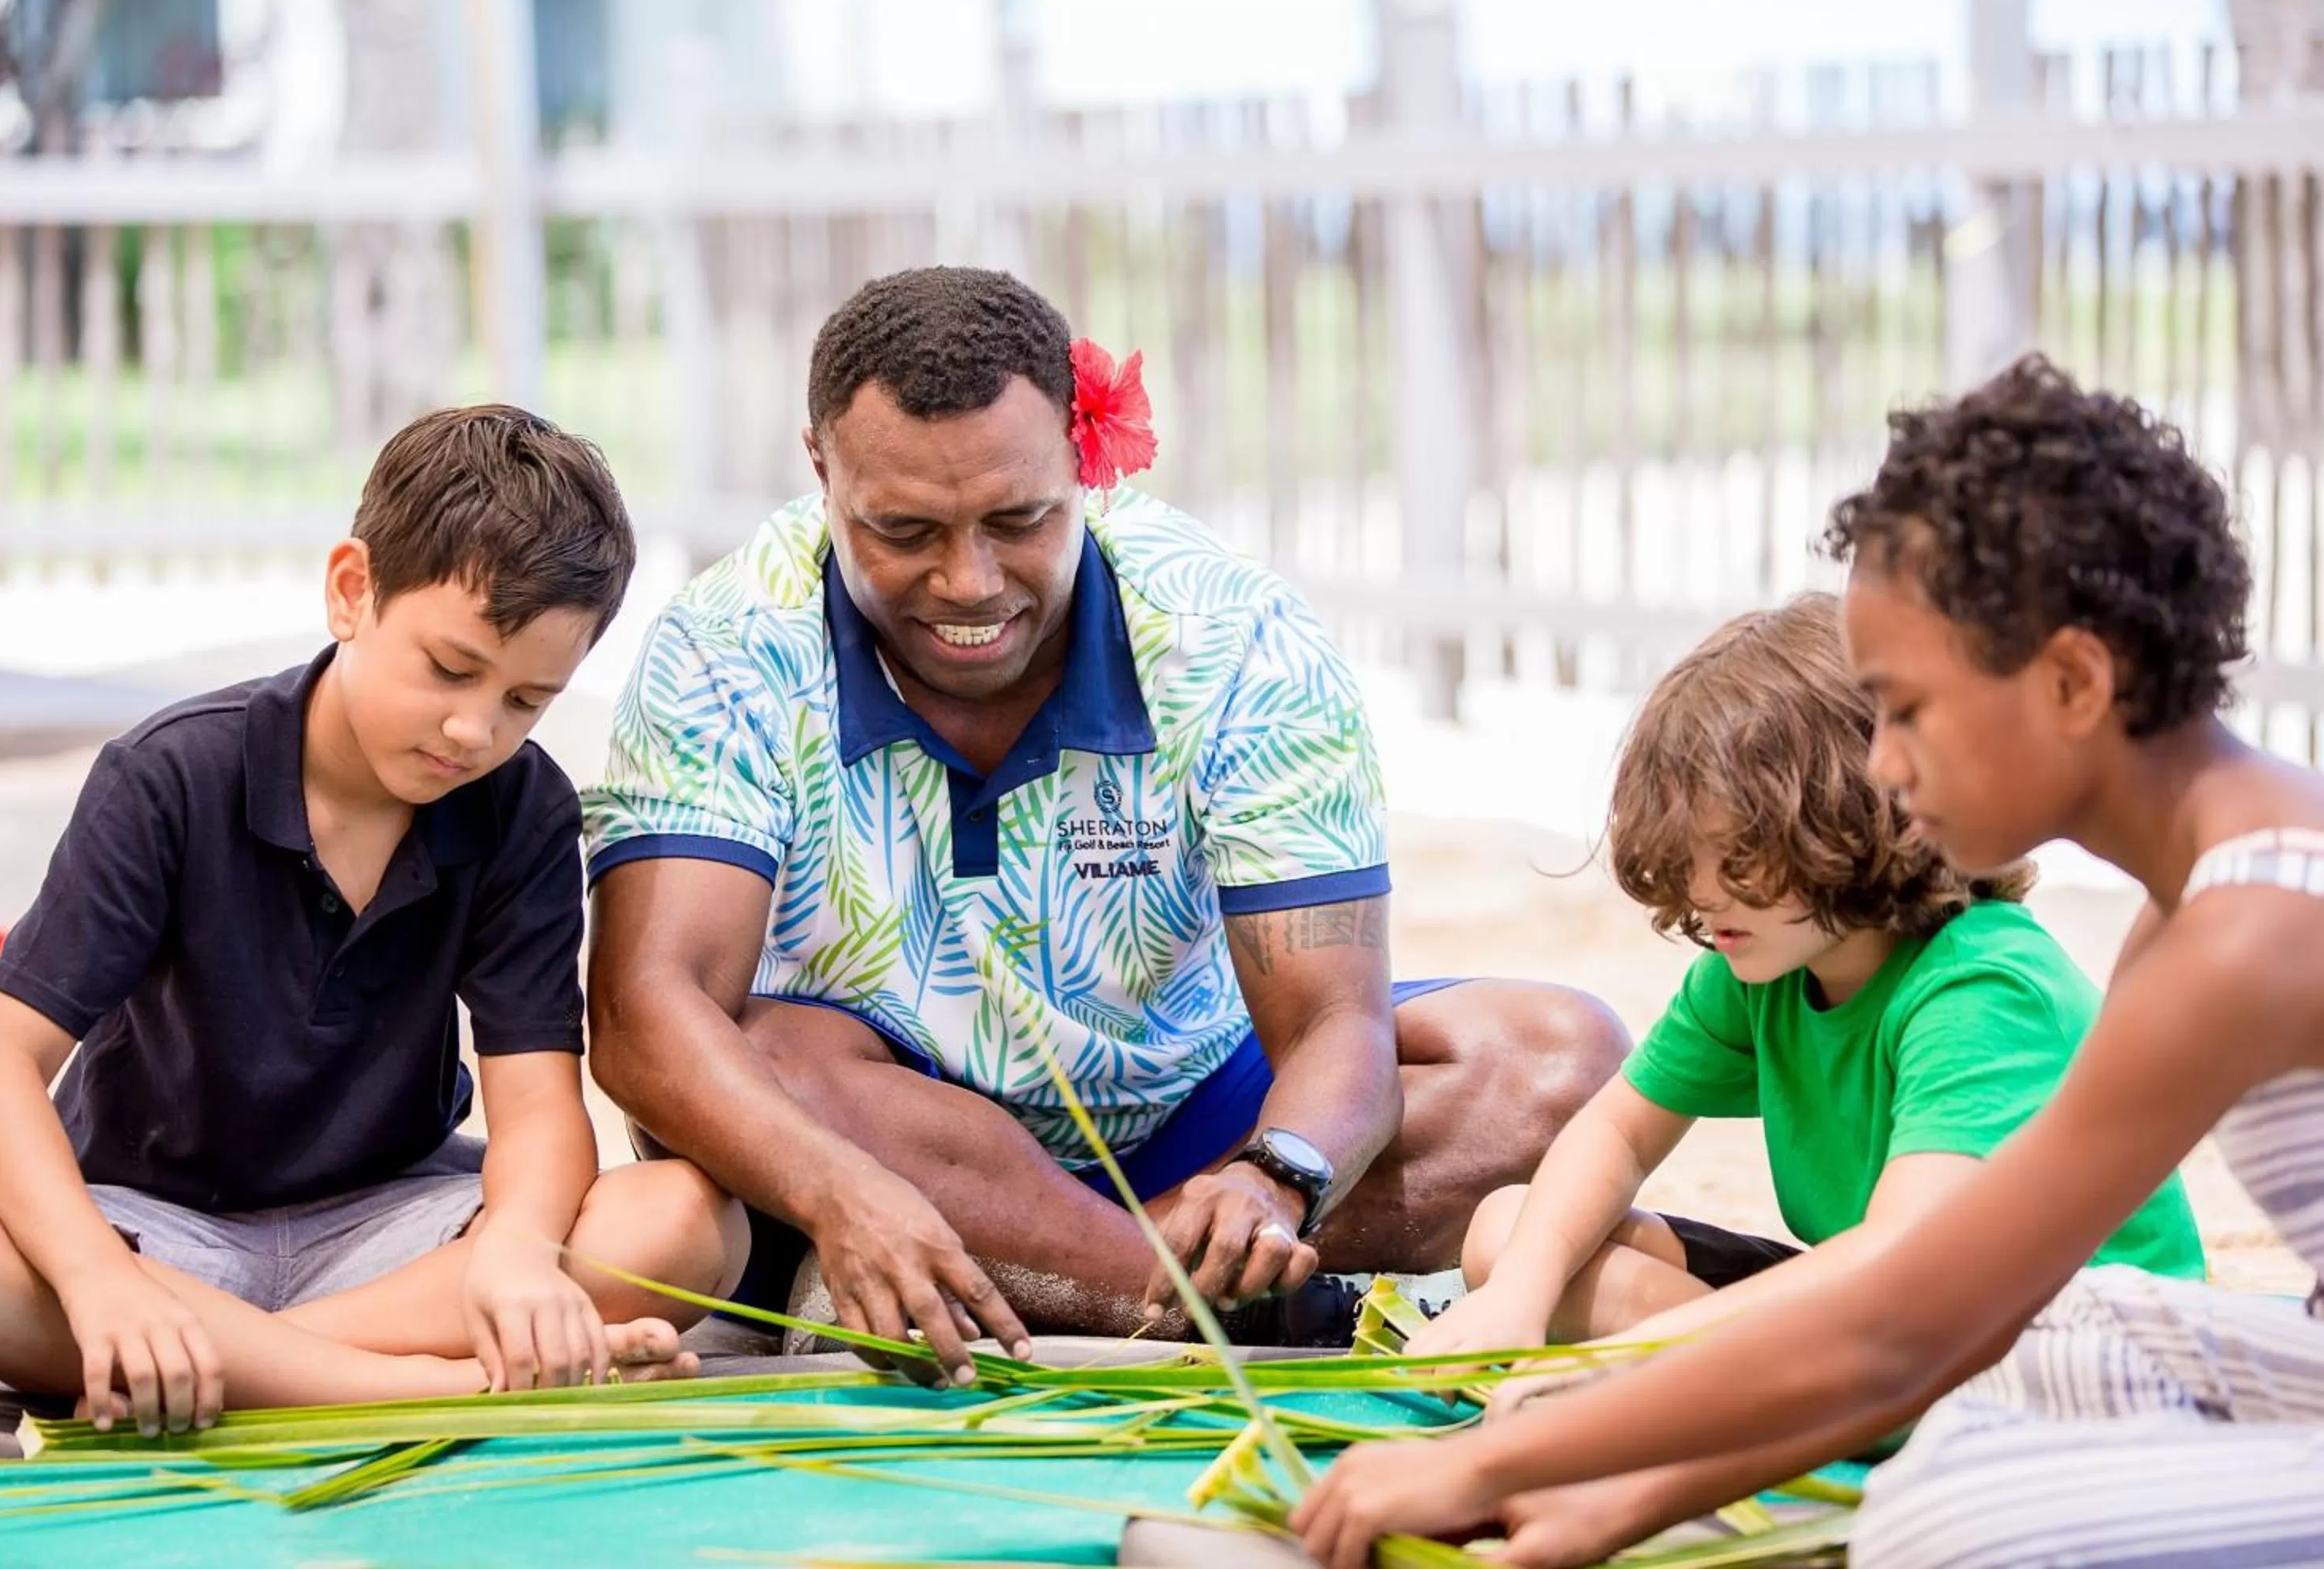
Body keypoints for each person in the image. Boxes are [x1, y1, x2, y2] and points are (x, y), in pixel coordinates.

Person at [1292, 354, 2324, 1569]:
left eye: (1907, 708)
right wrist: (1624, 1497)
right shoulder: (2191, 911)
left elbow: (1903, 1313)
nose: (1881, 765)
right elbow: (1945, 1306)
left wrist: (1495, 1461)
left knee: (1952, 1520)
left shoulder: (2248, 931)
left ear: (2072, 681)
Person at [581, 266, 1629, 1384]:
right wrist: (845, 1189)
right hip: (871, 1132)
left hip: (1190, 1115)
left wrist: (1275, 1179)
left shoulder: (1234, 637)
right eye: (904, 530)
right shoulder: (725, 643)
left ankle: (1072, 1276)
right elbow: (647, 1015)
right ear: (819, 468)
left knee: (1566, 1062)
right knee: (749, 1054)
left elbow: (1337, 1026)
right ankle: (1212, 1305)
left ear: (1083, 465)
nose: (968, 581)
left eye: (1020, 519)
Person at [0, 406, 745, 1438]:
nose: (475, 729)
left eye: (527, 701)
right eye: (451, 670)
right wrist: (100, 1280)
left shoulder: (524, 807)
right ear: (351, 591)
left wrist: (512, 1253)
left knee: (684, 1221)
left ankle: (237, 1373)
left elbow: (540, 1107)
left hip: (394, 1235)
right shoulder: (171, 776)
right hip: (151, 1231)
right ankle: (418, 1391)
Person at [1408, 593, 2202, 1411]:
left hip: (2049, 1347)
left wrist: (1636, 1362)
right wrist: (1523, 1296)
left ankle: (1721, 1382)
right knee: (1509, 1234)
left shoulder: (1981, 985)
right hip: (1879, 1304)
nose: (1702, 890)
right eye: (1689, 852)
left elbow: (1902, 1256)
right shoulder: (1762, 953)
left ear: (1854, 816)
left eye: (1740, 854)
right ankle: (1741, 1379)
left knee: (1624, 1304)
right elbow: (1617, 1130)